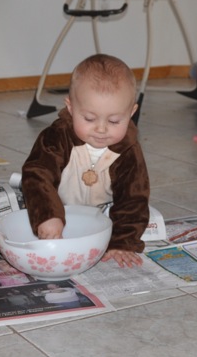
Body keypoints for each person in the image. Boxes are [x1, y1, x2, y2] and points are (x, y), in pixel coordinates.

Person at [22, 54, 149, 268]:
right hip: (59, 207)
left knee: (137, 211)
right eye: (89, 119)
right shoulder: (56, 137)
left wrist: (123, 242)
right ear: (71, 108)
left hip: (102, 213)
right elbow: (37, 175)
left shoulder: (127, 150)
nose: (101, 129)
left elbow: (133, 199)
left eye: (114, 120)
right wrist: (47, 215)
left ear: (132, 112)